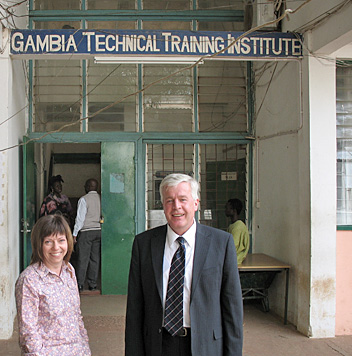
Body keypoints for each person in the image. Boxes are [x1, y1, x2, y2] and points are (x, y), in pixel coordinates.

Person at [125, 173, 243, 356]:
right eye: (169, 200)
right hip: (158, 344)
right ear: (163, 205)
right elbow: (134, 308)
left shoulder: (222, 243)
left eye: (182, 199)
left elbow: (232, 309)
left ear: (196, 203)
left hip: (206, 345)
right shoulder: (144, 244)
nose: (176, 207)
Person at [15, 214, 91, 356]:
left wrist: (85, 348)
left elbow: (76, 316)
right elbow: (28, 332)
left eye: (61, 240)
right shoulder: (29, 280)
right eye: (48, 242)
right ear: (39, 244)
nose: (56, 247)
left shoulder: (69, 271)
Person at [73, 178, 101, 292]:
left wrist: (74, 234)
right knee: (95, 259)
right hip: (98, 231)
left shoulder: (84, 199)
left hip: (86, 232)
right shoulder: (101, 199)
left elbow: (80, 219)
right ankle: (92, 284)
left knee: (83, 259)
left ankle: (80, 284)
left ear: (88, 187)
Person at [225, 198, 250, 265]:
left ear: (234, 211)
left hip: (235, 261)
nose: (225, 210)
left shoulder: (238, 227)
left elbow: (233, 246)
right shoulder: (233, 225)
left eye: (227, 208)